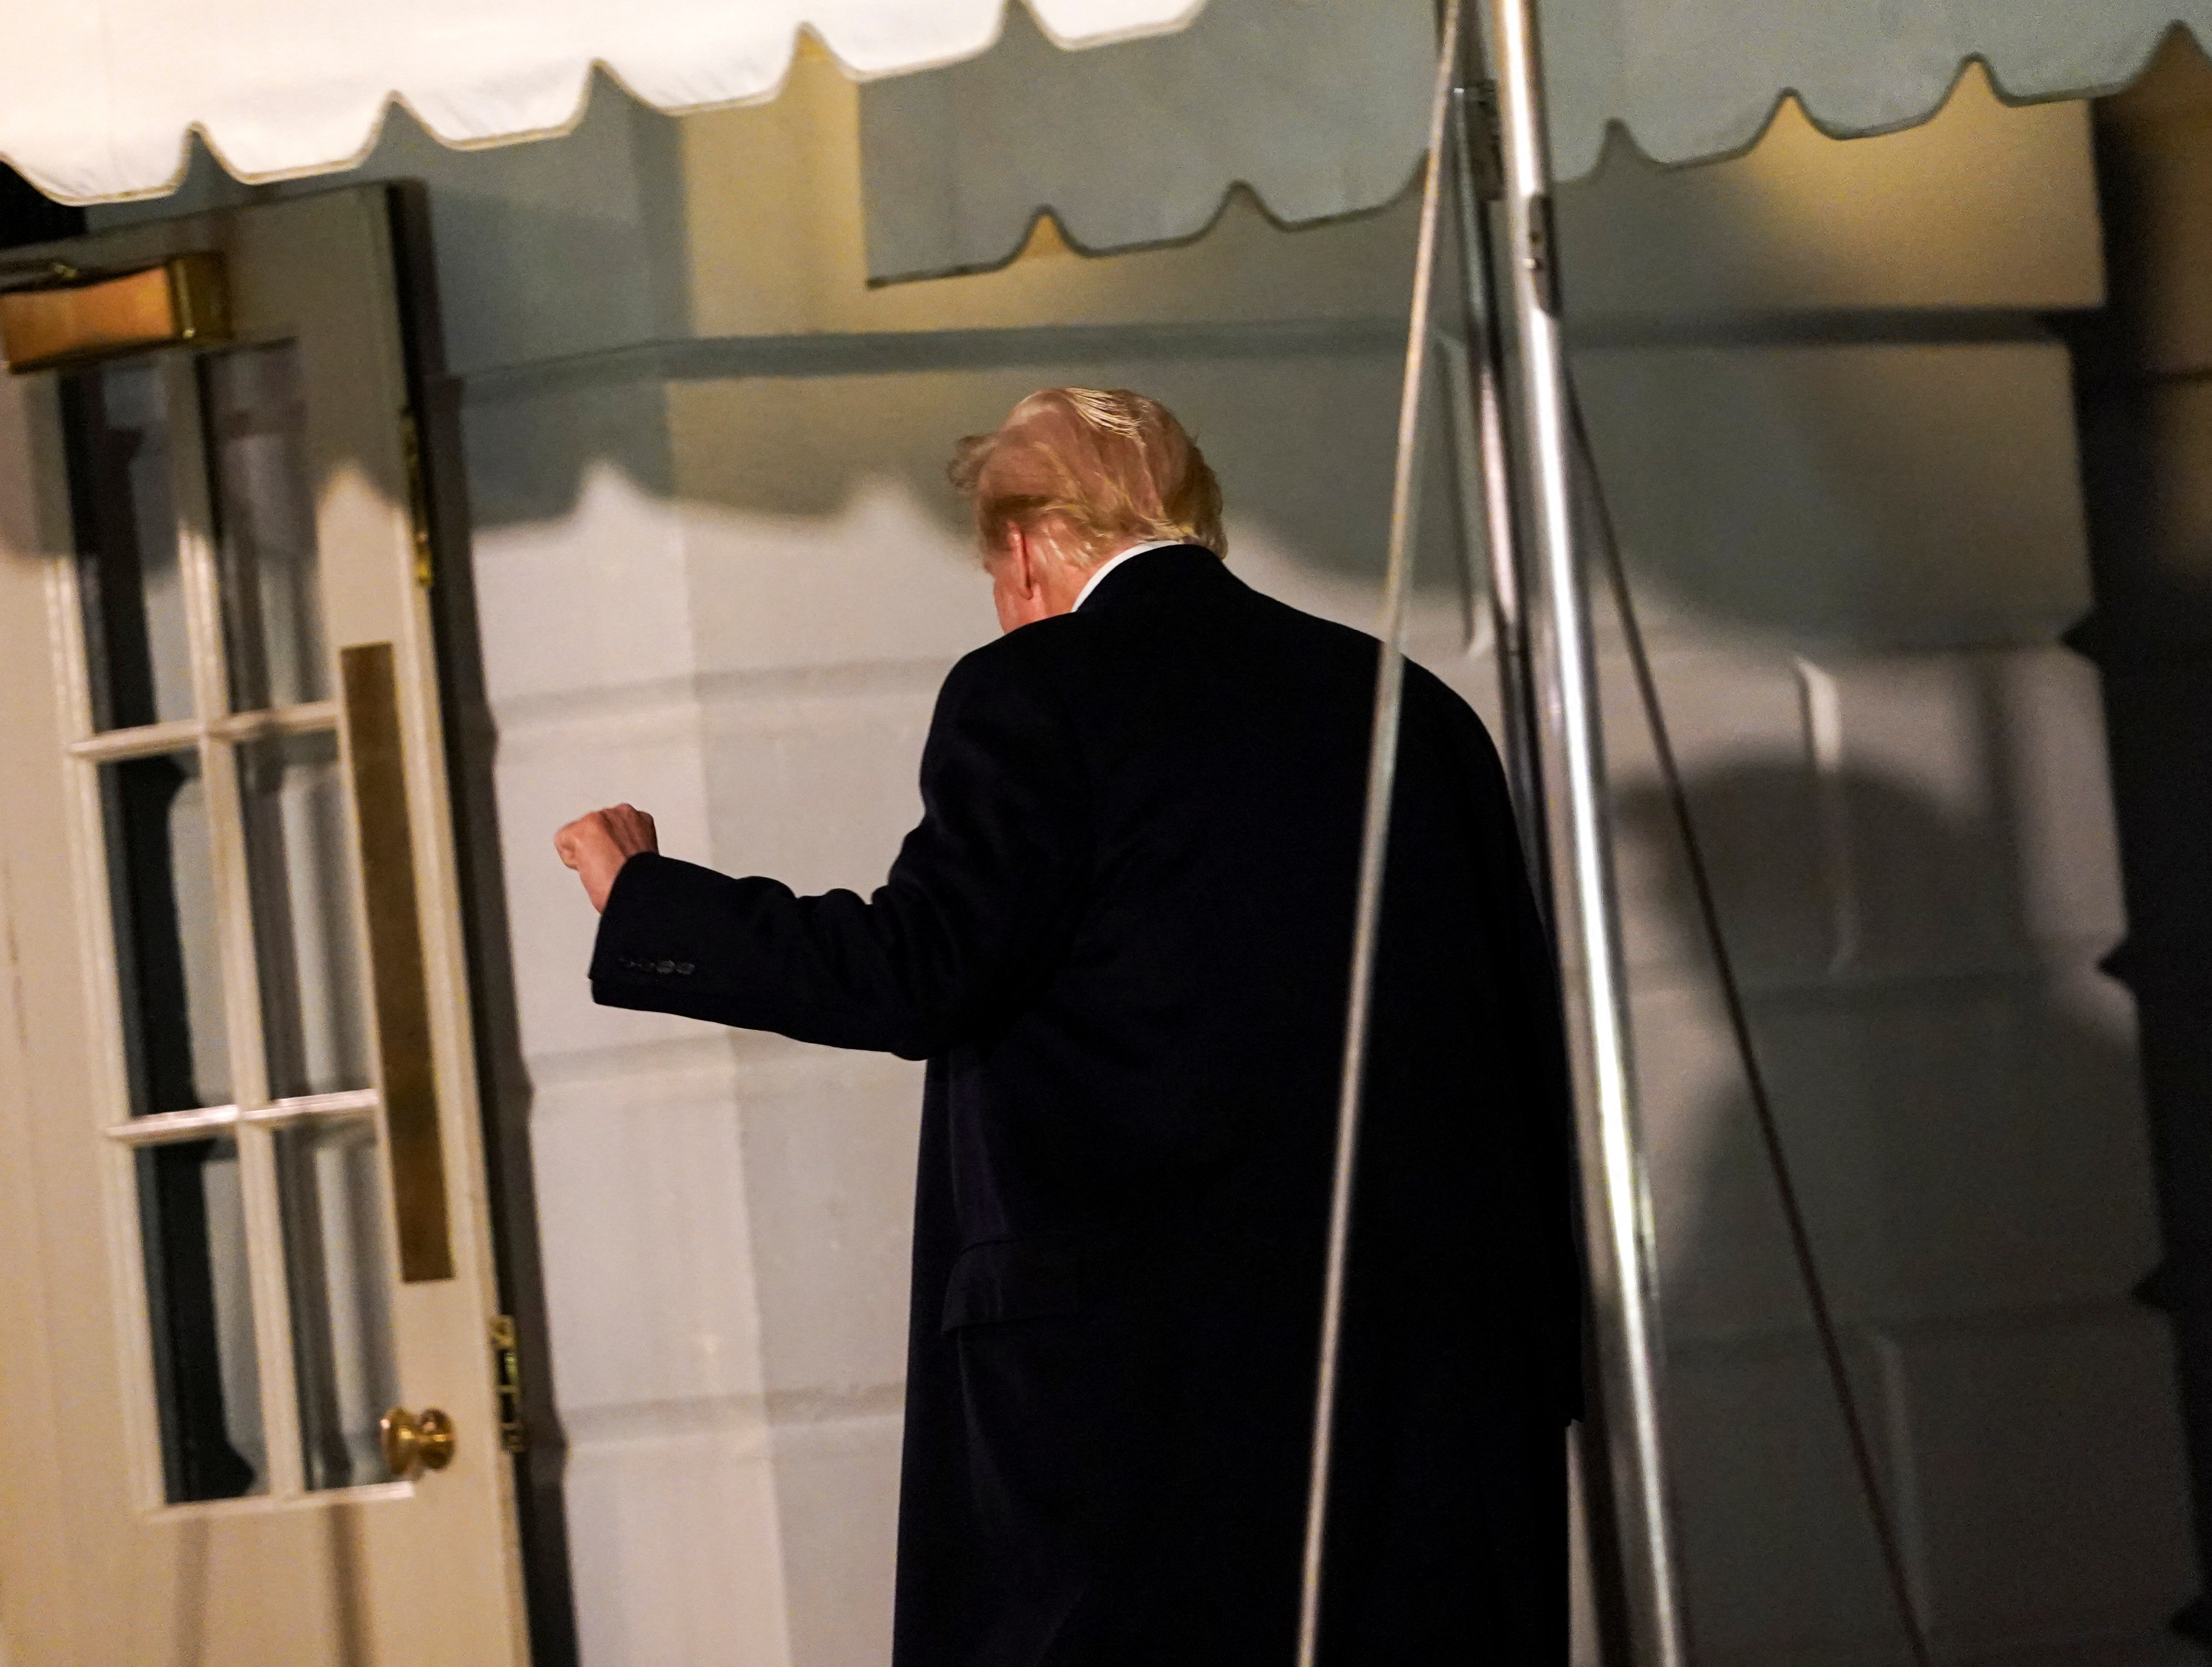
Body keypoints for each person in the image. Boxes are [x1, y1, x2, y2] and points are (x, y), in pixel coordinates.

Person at [555, 387, 1581, 1664]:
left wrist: (647, 898)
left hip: (1136, 1392)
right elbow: (1515, 1036)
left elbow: (921, 968)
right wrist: (1546, 1363)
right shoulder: (1412, 706)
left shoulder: (1036, 692)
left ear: (1028, 549)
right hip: (1425, 1373)